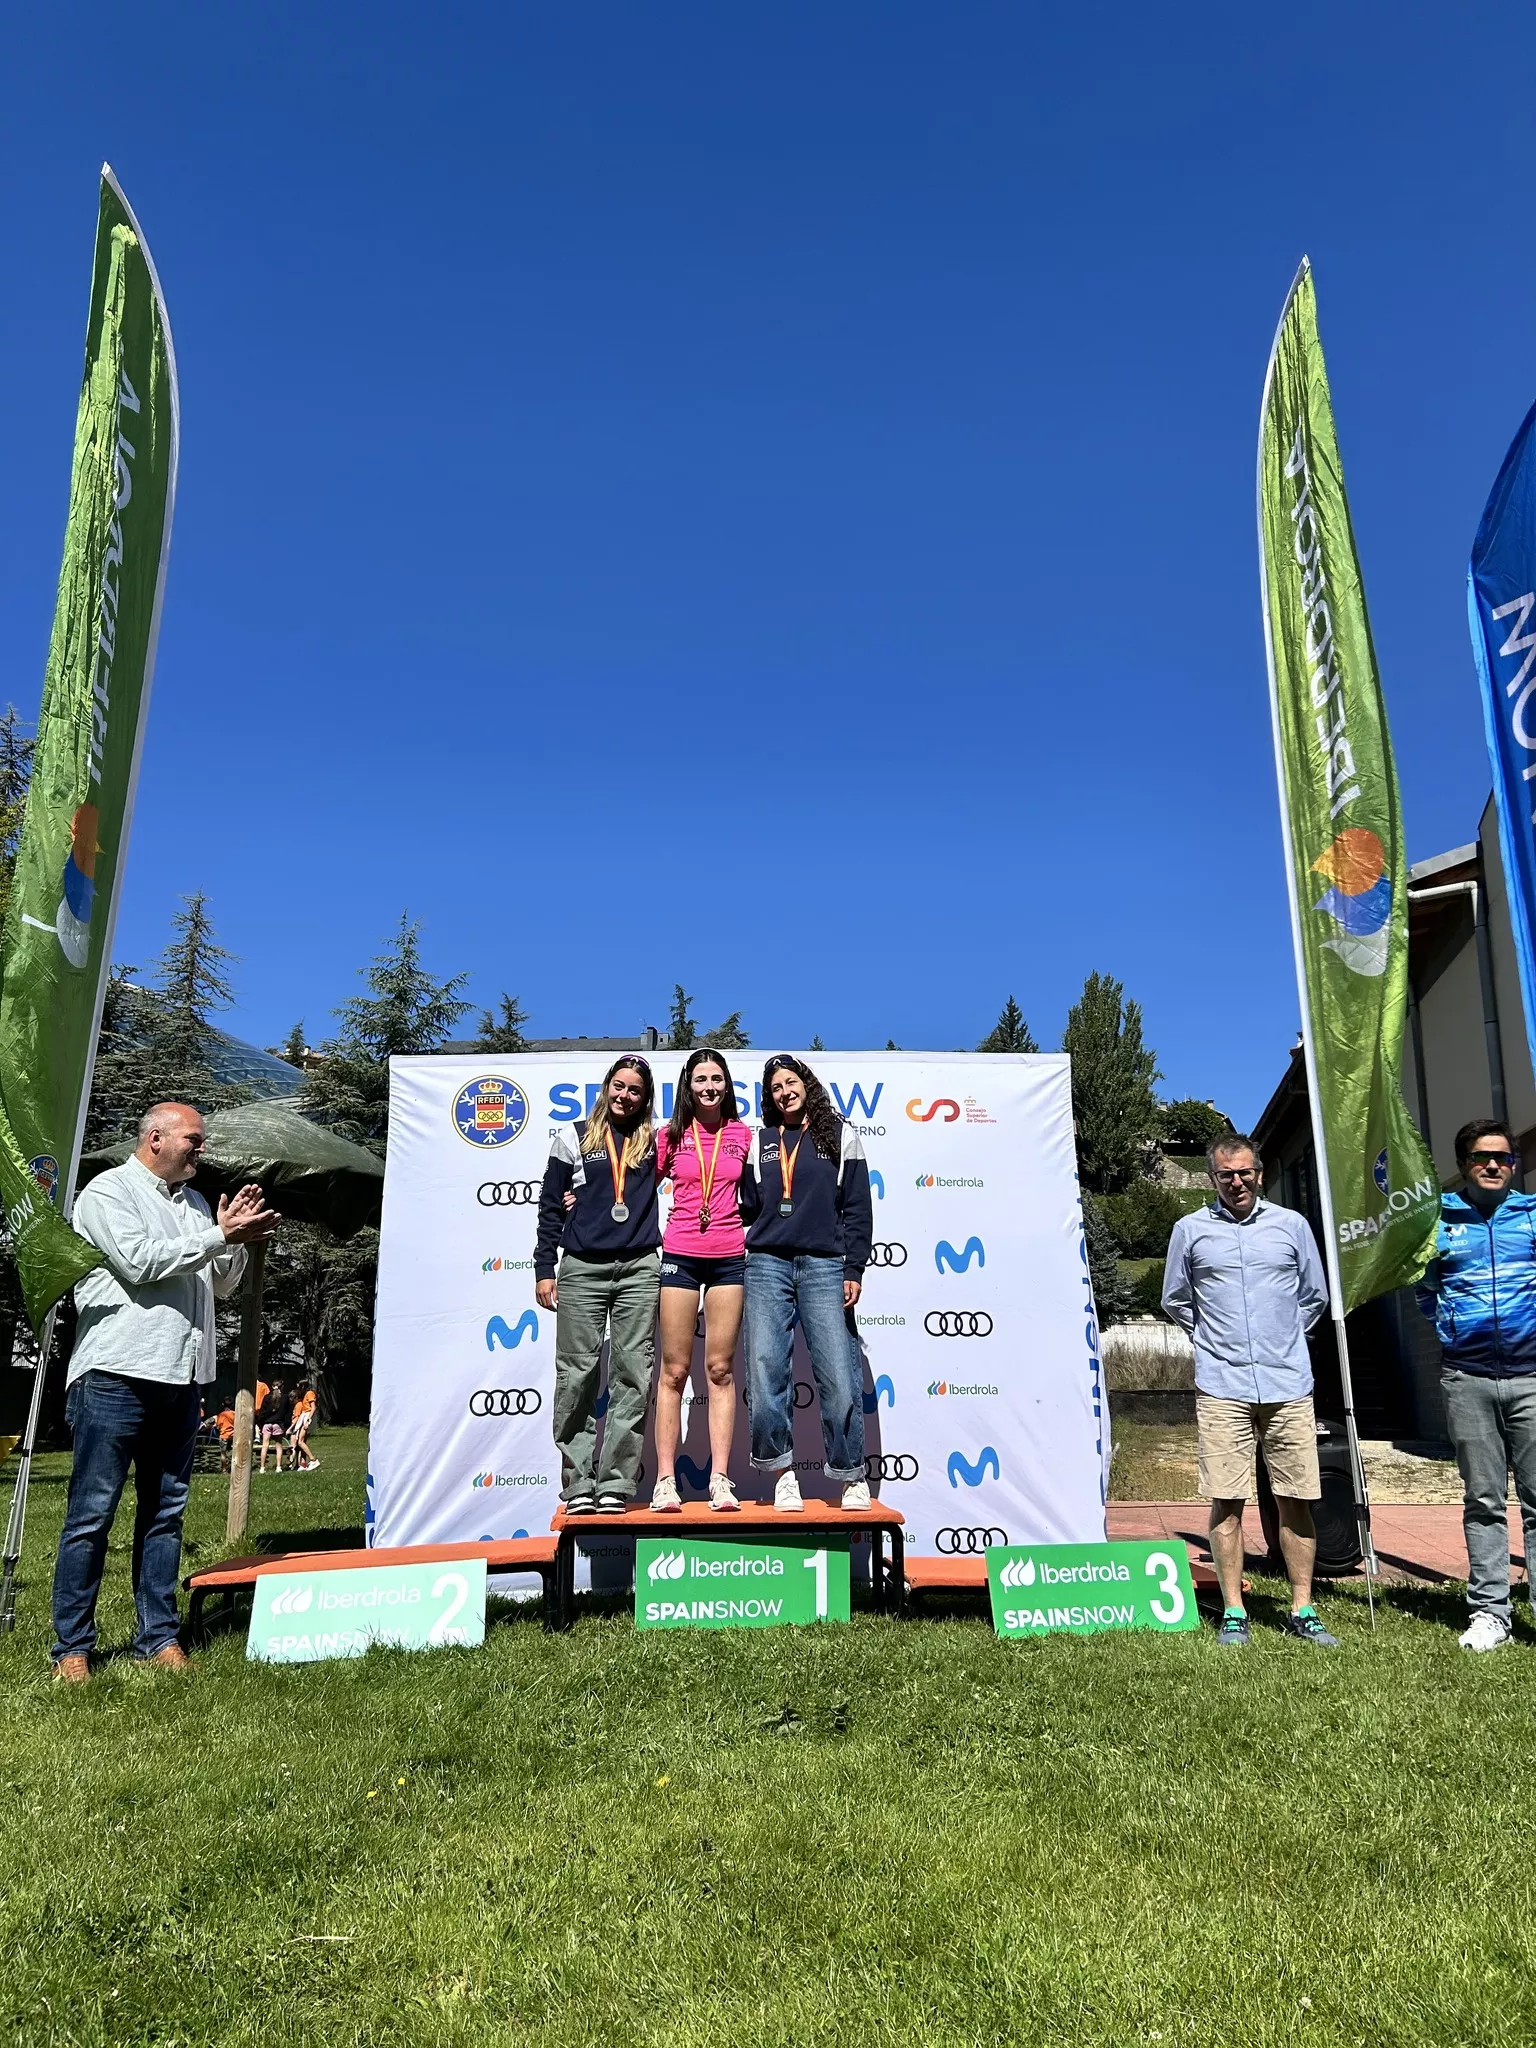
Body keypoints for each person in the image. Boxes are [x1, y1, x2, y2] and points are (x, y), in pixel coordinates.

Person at [50, 1102, 279, 1680]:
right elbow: (138, 1263)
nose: (201, 1151)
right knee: (91, 1515)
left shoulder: (197, 1205)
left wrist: (234, 1240)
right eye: (193, 1141)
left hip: (180, 1378)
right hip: (115, 1374)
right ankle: (72, 1648)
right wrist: (217, 1234)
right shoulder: (108, 1193)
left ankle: (158, 1638)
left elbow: (218, 1287)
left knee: (165, 1516)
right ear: (155, 1137)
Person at [1162, 1131, 1337, 1648]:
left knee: (1296, 1497)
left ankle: (1302, 1607)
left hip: (1287, 1381)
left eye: (1245, 1172)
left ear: (1259, 1173)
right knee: (1227, 1498)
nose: (1236, 1181)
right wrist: (1215, 1339)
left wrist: (1280, 1337)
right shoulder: (1189, 1230)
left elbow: (1314, 1296)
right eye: (1225, 1174)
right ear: (1212, 1178)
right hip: (1222, 1384)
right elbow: (1176, 1298)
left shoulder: (1292, 1226)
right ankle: (1235, 1610)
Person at [1416, 1118, 1536, 1651]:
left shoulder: (1532, 1218)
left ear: (1514, 1165)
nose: (1494, 1165)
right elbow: (1425, 1289)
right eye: (1483, 1157)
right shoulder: (1438, 1222)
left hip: (1532, 1377)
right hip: (1466, 1378)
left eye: (1503, 1158)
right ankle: (1491, 1614)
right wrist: (1450, 1327)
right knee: (1483, 1500)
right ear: (1463, 1163)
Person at [739, 1055, 874, 1512]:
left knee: (838, 1372)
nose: (784, 1092)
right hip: (766, 1263)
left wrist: (854, 1268)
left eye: (790, 1082)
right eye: (775, 1087)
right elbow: (746, 1204)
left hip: (825, 1265)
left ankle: (851, 1474)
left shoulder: (839, 1134)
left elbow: (857, 1206)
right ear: (769, 1096)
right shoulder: (760, 1142)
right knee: (765, 1369)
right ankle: (782, 1474)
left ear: (806, 1084)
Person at [535, 1057, 661, 1515]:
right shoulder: (572, 1135)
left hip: (640, 1267)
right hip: (582, 1267)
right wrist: (544, 1268)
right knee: (576, 1374)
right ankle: (577, 1485)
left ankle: (615, 1483)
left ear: (645, 1099)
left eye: (634, 1090)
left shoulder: (656, 1143)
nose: (624, 1095)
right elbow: (551, 1207)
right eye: (618, 1085)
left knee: (633, 1374)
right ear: (606, 1087)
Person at [650, 1050, 753, 1513]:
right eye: (700, 1079)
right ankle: (666, 1480)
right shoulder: (669, 1136)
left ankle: (720, 1479)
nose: (709, 1086)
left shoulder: (742, 1135)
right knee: (673, 1373)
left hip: (729, 1256)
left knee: (720, 1371)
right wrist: (578, 1199)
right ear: (687, 1086)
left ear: (726, 1085)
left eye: (717, 1079)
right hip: (680, 1255)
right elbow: (630, 1189)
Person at [257, 1377, 290, 1474]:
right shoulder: (285, 1398)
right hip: (278, 1424)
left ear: (272, 1387)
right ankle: (278, 1467)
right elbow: (287, 1413)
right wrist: (286, 1425)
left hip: (267, 1424)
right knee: (278, 1445)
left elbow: (262, 1413)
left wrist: (260, 1424)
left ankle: (262, 1468)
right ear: (282, 1387)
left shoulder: (267, 1397)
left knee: (265, 1445)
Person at [288, 1380, 319, 1472]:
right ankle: (303, 1463)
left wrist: (308, 1420)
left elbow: (313, 1407)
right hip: (305, 1415)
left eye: (299, 1386)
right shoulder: (305, 1395)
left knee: (300, 1441)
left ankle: (313, 1460)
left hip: (308, 1416)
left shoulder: (309, 1393)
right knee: (302, 1441)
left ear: (302, 1386)